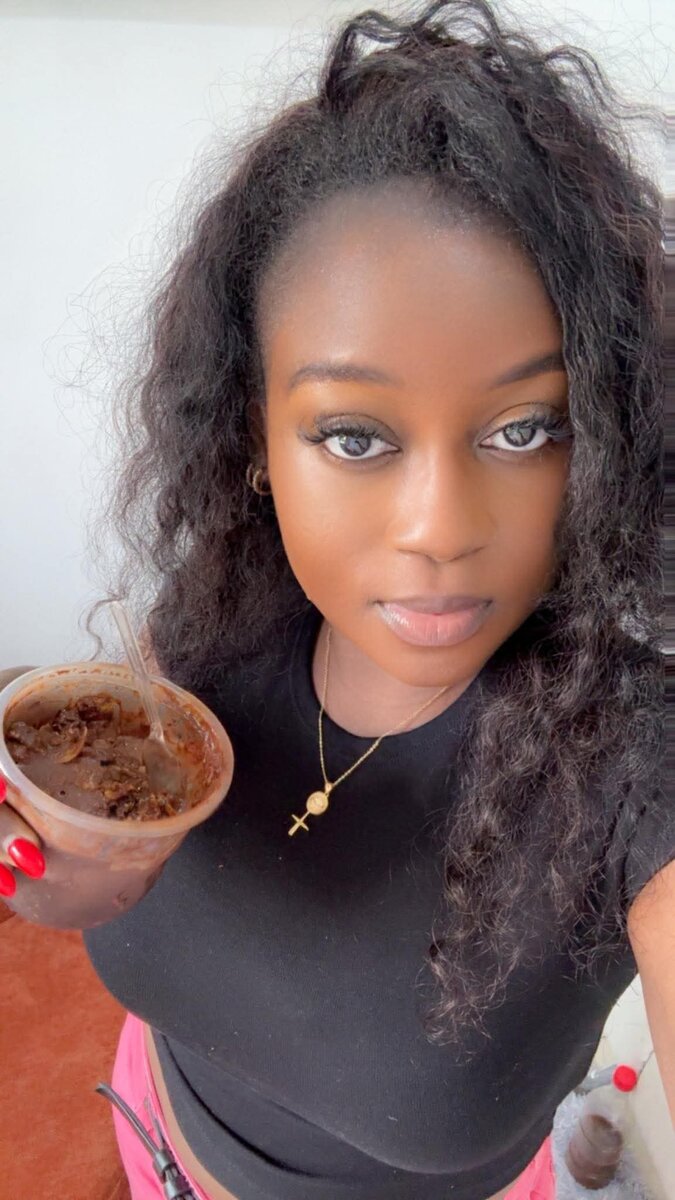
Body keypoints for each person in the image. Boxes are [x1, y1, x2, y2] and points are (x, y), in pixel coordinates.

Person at [1, 1, 668, 1198]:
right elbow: (113, 888)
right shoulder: (213, 618)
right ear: (258, 439)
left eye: (527, 429)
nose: (441, 531)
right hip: (150, 1142)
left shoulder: (638, 763)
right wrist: (78, 874)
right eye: (355, 436)